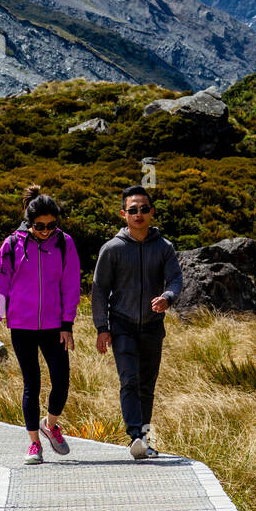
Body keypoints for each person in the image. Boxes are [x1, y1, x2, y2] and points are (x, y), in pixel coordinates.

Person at [0, 188, 80, 464]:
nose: (46, 231)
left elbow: (71, 285)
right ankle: (34, 444)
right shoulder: (12, 244)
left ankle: (50, 425)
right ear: (29, 222)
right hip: (22, 326)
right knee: (32, 384)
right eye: (40, 226)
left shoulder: (64, 244)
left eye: (52, 226)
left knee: (62, 380)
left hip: (54, 326)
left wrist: (67, 324)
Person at [92, 185, 182, 459]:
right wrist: (102, 328)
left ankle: (144, 440)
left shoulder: (164, 247)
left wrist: (168, 297)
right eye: (133, 210)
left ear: (152, 212)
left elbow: (176, 279)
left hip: (153, 327)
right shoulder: (112, 249)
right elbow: (99, 289)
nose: (139, 214)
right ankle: (135, 436)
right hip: (122, 325)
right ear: (124, 214)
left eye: (144, 209)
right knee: (129, 378)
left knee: (147, 384)